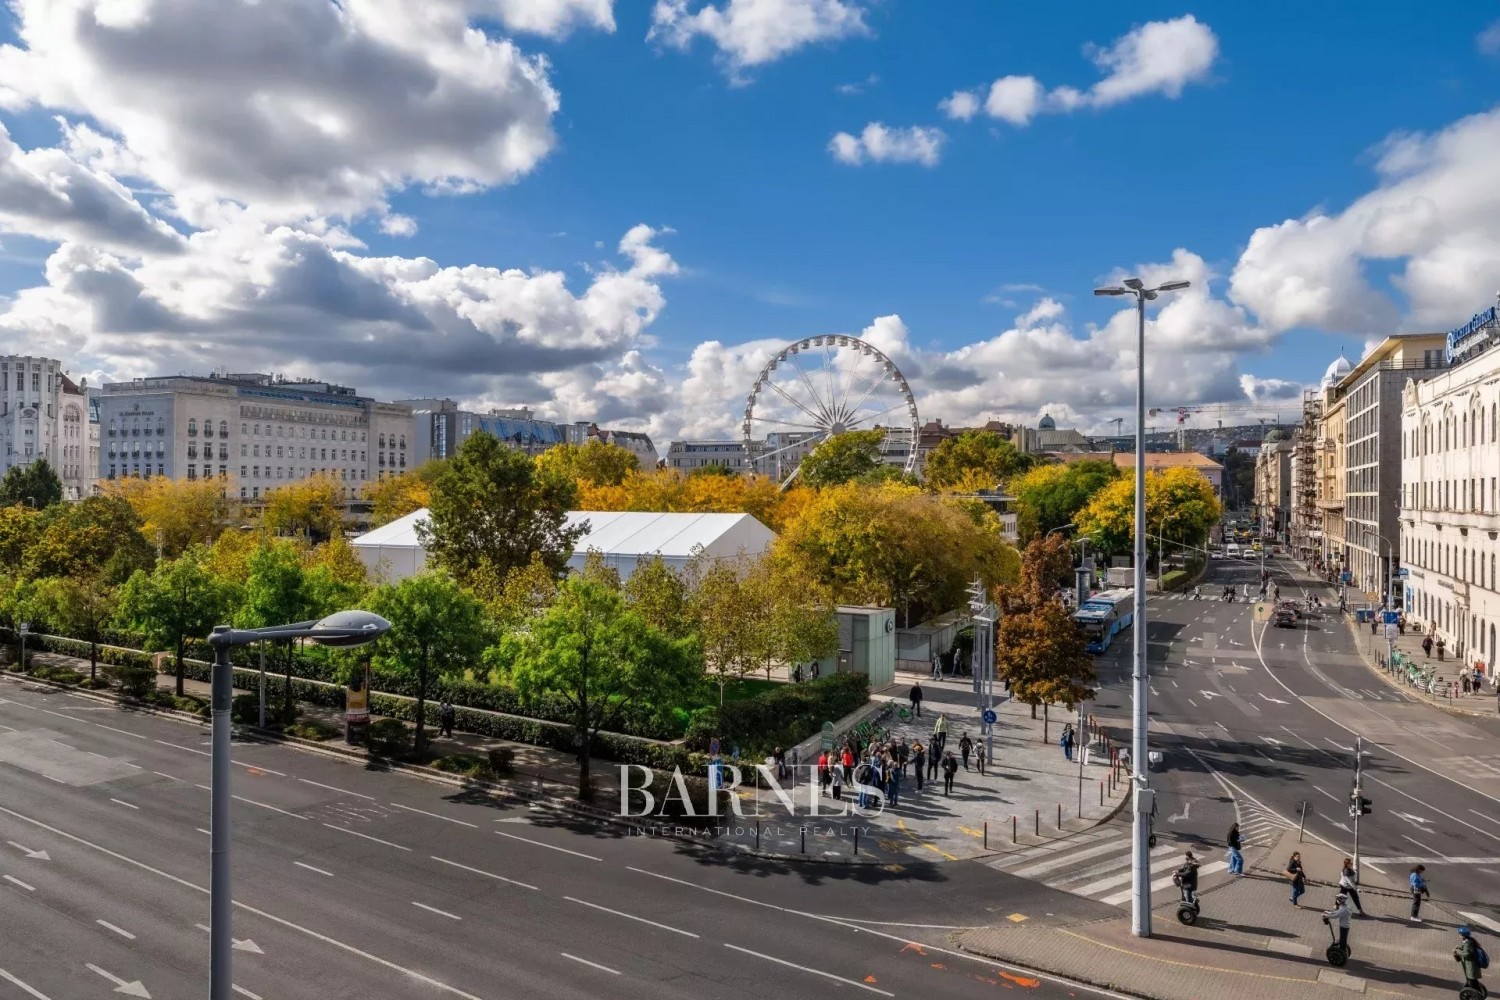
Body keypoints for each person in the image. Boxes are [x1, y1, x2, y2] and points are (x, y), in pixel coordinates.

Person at [1455, 926, 1486, 995]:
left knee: (1472, 980)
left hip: (1471, 966)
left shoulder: (1467, 944)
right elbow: (1466, 948)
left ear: (1463, 936)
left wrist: (1458, 952)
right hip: (1472, 965)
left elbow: (1466, 954)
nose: (1459, 935)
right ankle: (1477, 991)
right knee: (1473, 980)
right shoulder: (1469, 941)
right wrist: (1459, 947)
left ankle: (1477, 993)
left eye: (1460, 934)